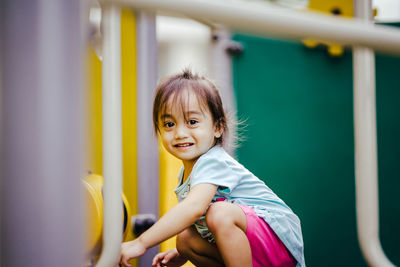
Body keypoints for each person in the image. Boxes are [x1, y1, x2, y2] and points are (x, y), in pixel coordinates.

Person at [119, 69, 305, 267]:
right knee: (185, 238)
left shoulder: (213, 161)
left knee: (219, 213)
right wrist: (184, 252)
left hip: (277, 240)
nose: (180, 133)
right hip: (254, 247)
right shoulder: (187, 173)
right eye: (169, 124)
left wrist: (141, 242)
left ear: (218, 127)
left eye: (192, 122)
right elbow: (197, 221)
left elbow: (193, 208)